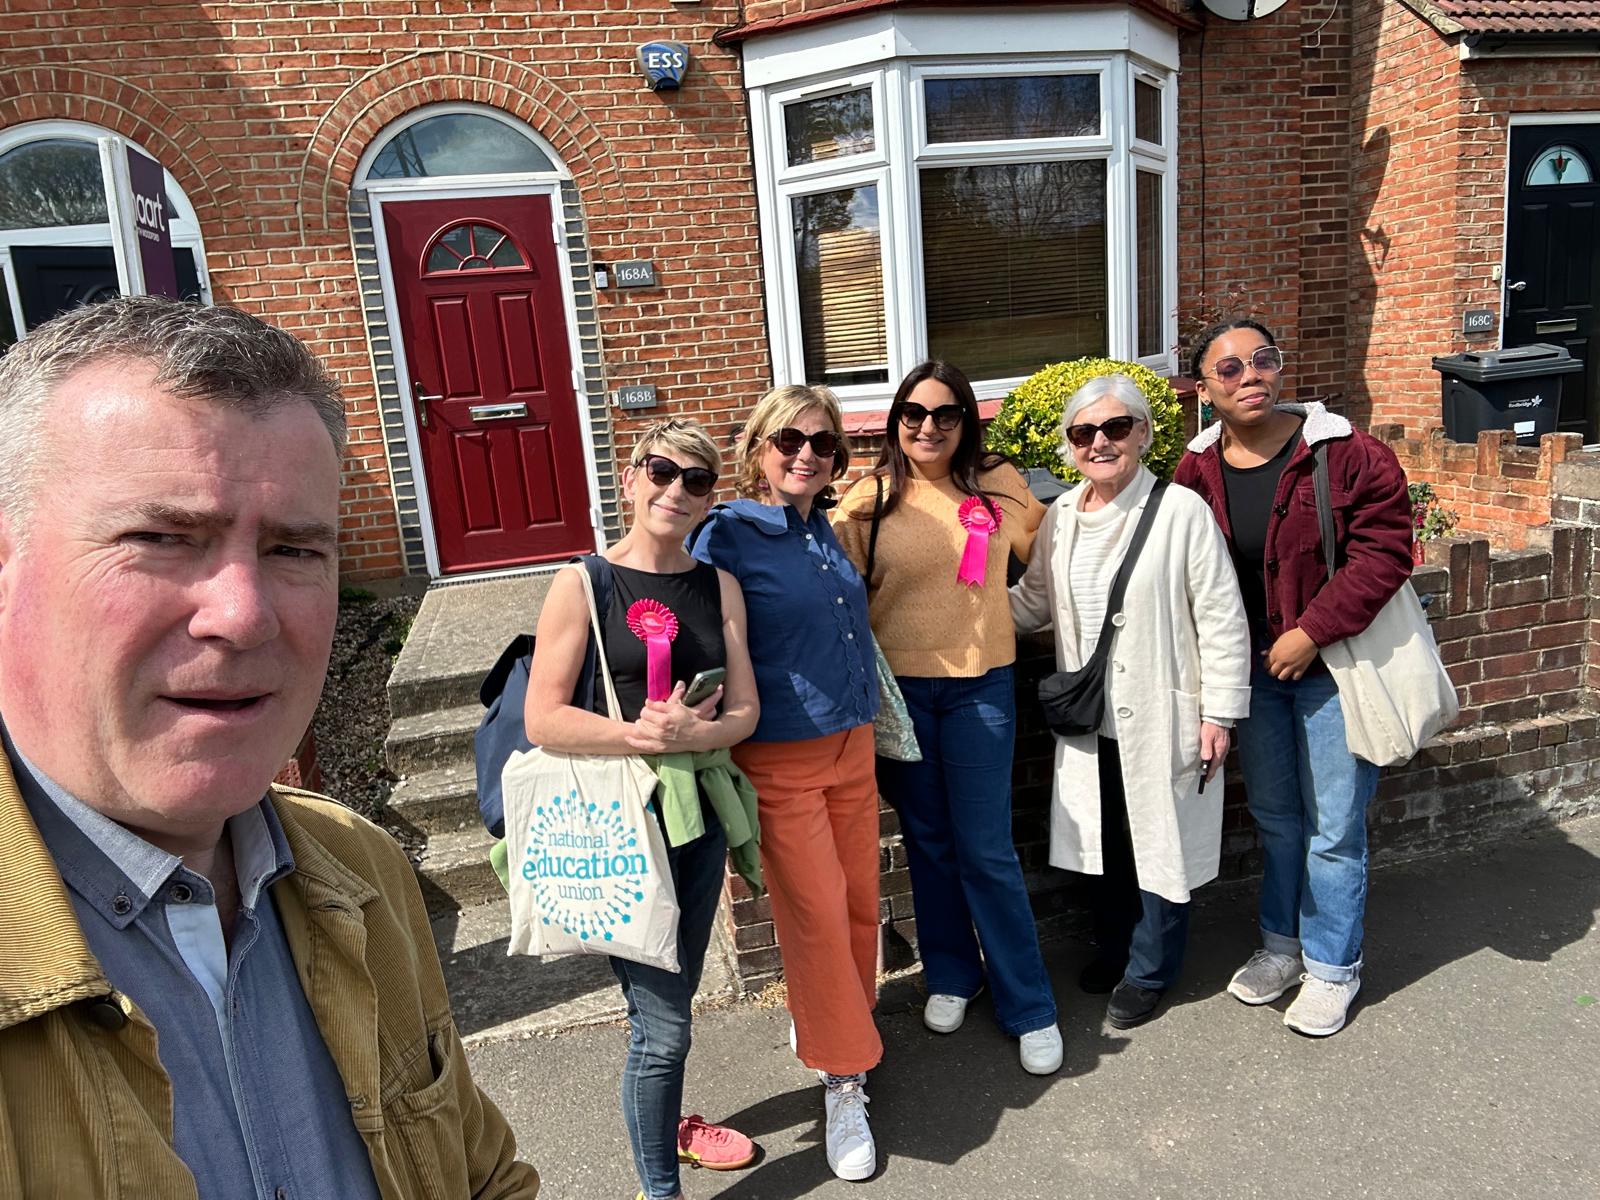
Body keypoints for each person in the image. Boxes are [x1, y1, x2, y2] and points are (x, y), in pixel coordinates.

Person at [0, 297, 539, 1197]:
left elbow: (482, 1179)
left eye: (295, 551)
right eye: (162, 538)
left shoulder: (360, 870)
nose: (246, 616)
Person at [523, 418, 762, 1200]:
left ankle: (672, 1127)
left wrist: (699, 729)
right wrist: (640, 736)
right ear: (630, 478)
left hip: (695, 825)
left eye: (697, 480)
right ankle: (659, 1189)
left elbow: (747, 713)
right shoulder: (583, 582)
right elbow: (543, 718)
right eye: (662, 471)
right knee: (663, 1031)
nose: (676, 490)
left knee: (669, 1011)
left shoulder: (717, 585)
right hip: (620, 828)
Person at [1175, 319, 1414, 1037]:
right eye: (1229, 368)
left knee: (1335, 830)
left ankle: (1334, 968)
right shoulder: (1198, 469)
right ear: (1204, 389)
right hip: (1251, 678)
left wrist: (1311, 632)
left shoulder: (1344, 453)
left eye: (1262, 360)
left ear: (1279, 369)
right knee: (1278, 821)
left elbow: (1387, 549)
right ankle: (1282, 947)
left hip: (1331, 671)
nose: (1250, 376)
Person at [834, 360, 1063, 1074]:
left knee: (987, 848)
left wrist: (1020, 618)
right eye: (913, 414)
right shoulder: (865, 500)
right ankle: (952, 974)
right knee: (928, 843)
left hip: (980, 689)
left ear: (966, 420)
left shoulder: (998, 481)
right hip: (900, 699)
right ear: (895, 420)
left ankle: (1029, 1004)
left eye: (944, 414)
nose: (927, 427)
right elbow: (826, 593)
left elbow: (1057, 554)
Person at [1010, 374, 1251, 1029]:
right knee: (1106, 844)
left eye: (1116, 427)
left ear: (1143, 433)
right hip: (1091, 720)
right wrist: (955, 614)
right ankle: (1114, 948)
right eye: (1084, 432)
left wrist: (1219, 713)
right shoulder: (1060, 518)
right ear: (1069, 446)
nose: (1100, 442)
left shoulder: (1180, 512)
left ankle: (1150, 969)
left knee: (1158, 845)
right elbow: (1031, 604)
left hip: (1162, 713)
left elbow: (1223, 619)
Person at [688, 385, 883, 1182]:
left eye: (824, 443)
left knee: (863, 904)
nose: (807, 453)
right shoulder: (727, 533)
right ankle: (842, 1082)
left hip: (855, 746)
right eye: (789, 440)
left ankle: (845, 1033)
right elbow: (673, 614)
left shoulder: (825, 531)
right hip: (780, 760)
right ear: (759, 449)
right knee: (815, 917)